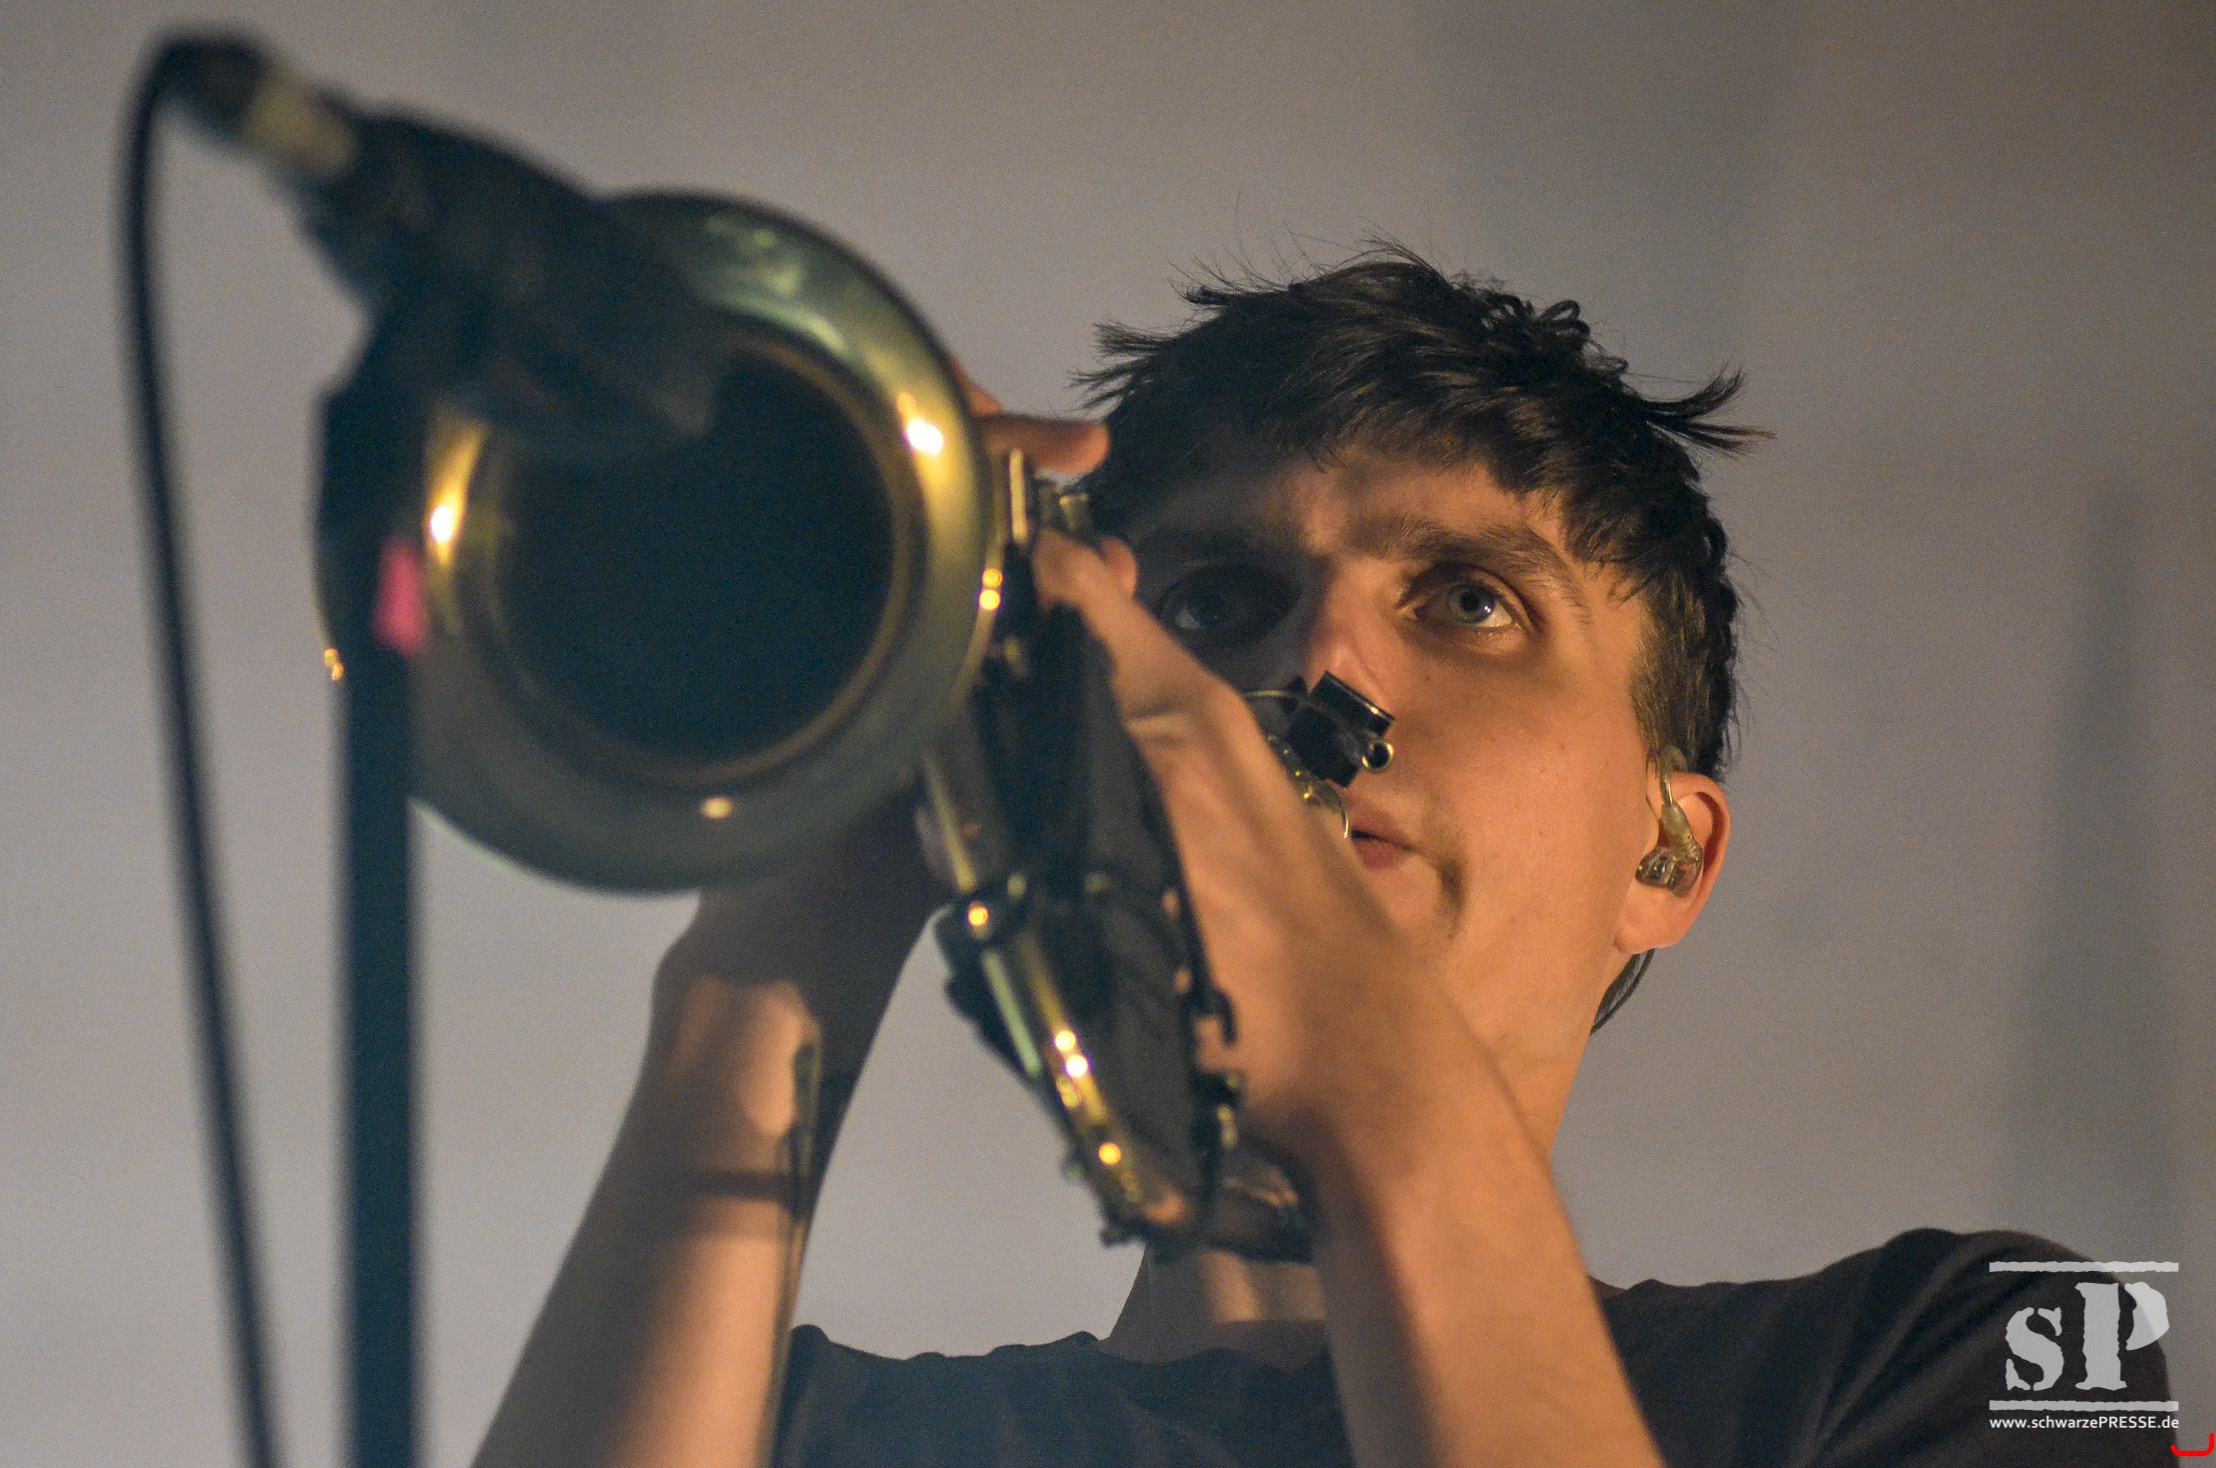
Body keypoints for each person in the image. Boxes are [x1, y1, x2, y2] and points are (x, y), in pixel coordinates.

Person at [472, 252, 2175, 1467]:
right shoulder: (790, 1434)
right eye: (1218, 602)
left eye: (1472, 603)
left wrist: (1370, 1071)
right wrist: (789, 921)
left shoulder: (2015, 1344)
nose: (1319, 667)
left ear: (1669, 850)